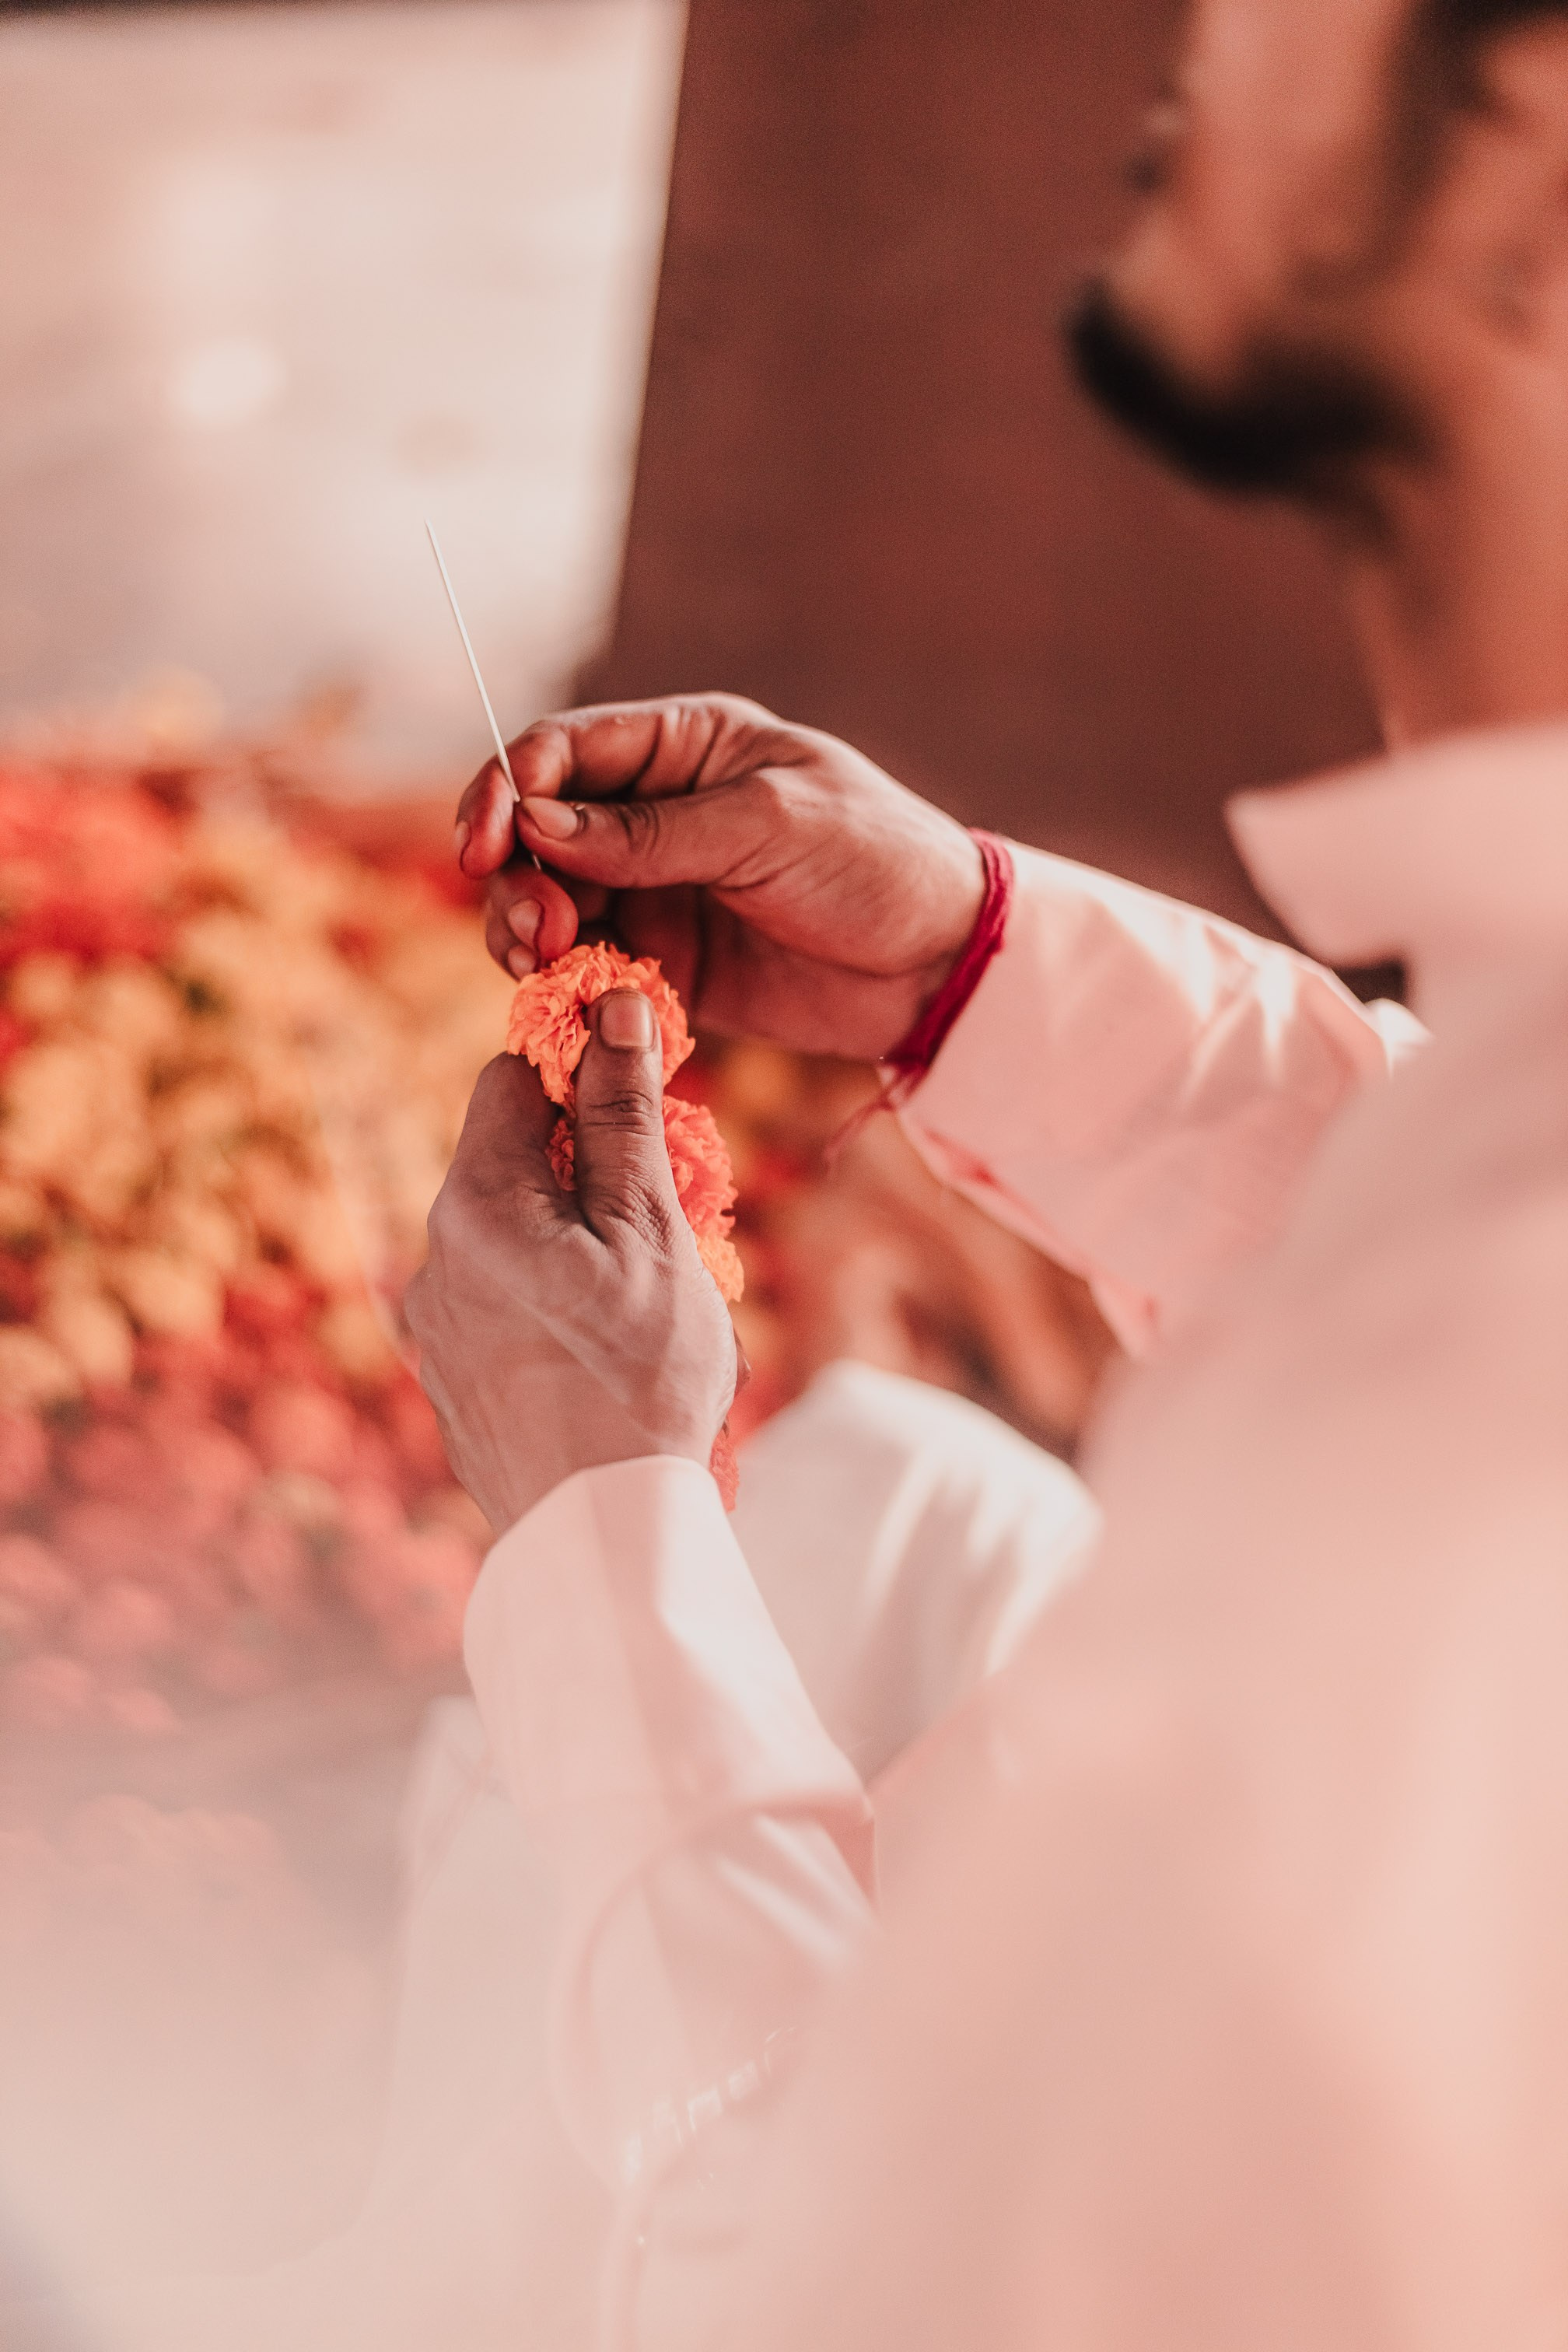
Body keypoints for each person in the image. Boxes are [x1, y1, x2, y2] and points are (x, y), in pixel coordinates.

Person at [411, 0, 1568, 2343]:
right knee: (871, 1497)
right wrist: (974, 961)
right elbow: (1459, 1171)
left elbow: (821, 2275)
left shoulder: (1451, 1559)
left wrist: (595, 1517)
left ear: (1535, 161)